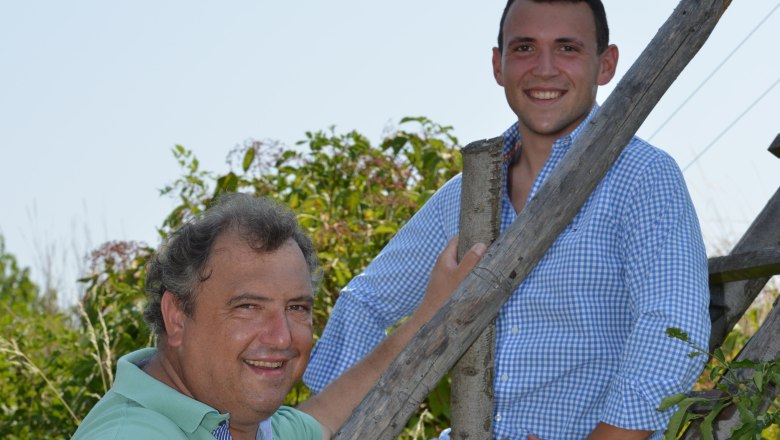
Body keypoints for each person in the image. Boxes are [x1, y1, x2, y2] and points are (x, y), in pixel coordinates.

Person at [304, 0, 711, 439]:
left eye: (568, 48)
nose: (544, 68)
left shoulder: (641, 177)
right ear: (498, 65)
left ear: (605, 64)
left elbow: (674, 329)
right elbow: (366, 301)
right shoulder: (468, 193)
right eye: (524, 49)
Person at [71, 193, 485, 440]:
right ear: (176, 316)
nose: (283, 337)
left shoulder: (234, 424)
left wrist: (428, 316)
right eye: (248, 307)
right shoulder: (131, 434)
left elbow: (321, 417)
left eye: (296, 308)